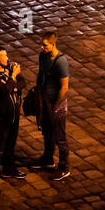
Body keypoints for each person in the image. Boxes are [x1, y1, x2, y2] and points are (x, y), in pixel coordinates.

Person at [0, 45, 27, 195]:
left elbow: (23, 83)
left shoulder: (9, 68)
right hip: (1, 117)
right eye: (4, 56)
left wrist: (13, 84)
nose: (7, 59)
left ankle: (9, 169)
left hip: (14, 113)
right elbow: (4, 90)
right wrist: (12, 78)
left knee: (11, 144)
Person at [36, 31, 70, 179]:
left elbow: (64, 87)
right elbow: (41, 74)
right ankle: (48, 159)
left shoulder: (60, 61)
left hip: (56, 104)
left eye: (45, 45)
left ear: (53, 44)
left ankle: (64, 167)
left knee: (59, 136)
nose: (42, 47)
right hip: (45, 100)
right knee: (47, 131)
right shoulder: (43, 56)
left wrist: (56, 106)